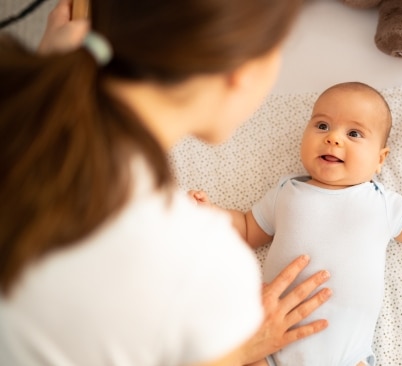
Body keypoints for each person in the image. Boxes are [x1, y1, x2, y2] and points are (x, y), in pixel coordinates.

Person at [0, 0, 334, 365]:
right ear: (241, 72)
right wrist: (246, 348)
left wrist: (52, 64)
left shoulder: (19, 94)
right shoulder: (205, 265)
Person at [189, 81, 402, 366]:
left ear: (380, 159)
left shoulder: (381, 202)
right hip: (268, 349)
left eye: (354, 133)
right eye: (322, 126)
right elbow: (247, 229)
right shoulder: (287, 192)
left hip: (347, 356)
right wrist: (210, 215)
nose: (333, 138)